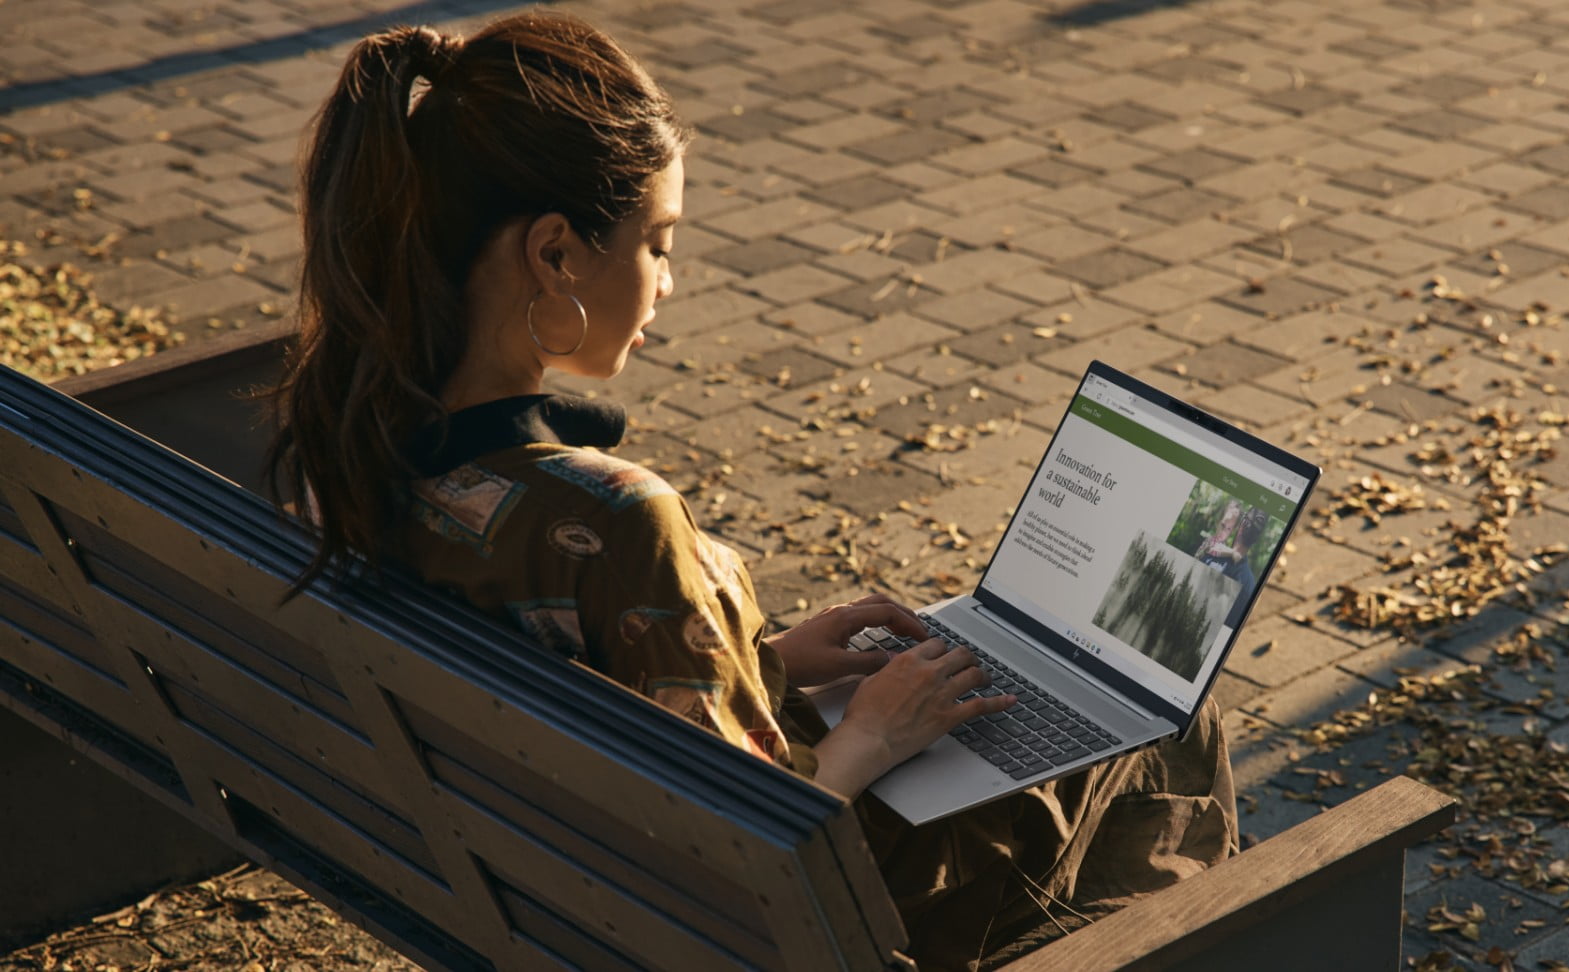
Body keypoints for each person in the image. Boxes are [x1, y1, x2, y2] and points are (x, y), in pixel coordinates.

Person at [268, 13, 1235, 969]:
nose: (668, 282)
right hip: (789, 921)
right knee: (1162, 710)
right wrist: (870, 732)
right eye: (657, 242)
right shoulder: (615, 516)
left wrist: (758, 658)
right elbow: (741, 857)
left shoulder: (352, 441)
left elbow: (576, 668)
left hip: (544, 893)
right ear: (555, 252)